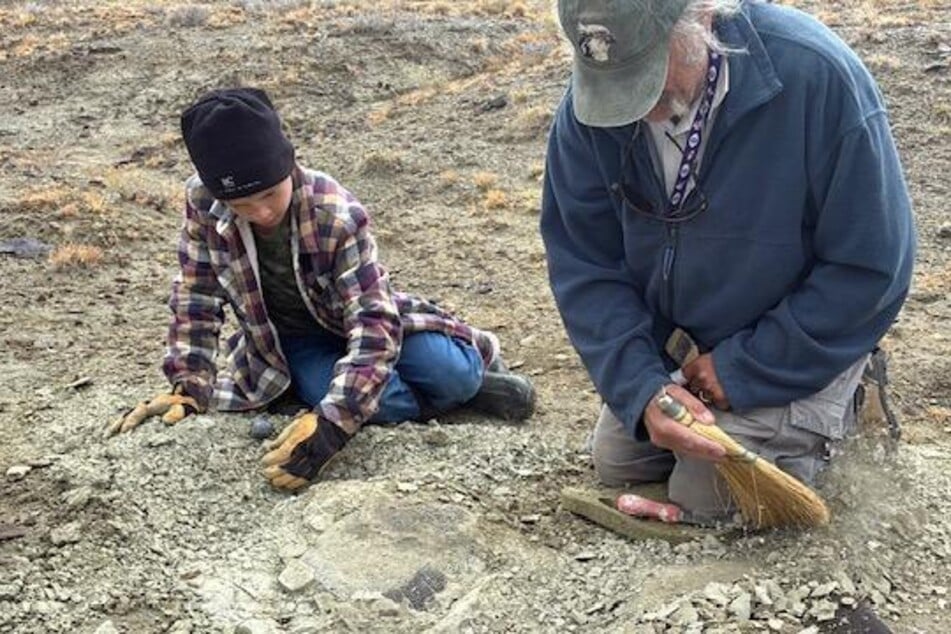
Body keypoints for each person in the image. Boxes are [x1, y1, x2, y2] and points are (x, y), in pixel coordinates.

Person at [542, 0, 915, 523]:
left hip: (795, 337)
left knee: (710, 493)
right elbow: (585, 264)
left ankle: (848, 397)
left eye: (646, 71)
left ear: (700, 18)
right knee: (618, 462)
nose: (631, 104)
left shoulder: (817, 77)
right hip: (686, 348)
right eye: (612, 79)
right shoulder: (588, 112)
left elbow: (874, 266)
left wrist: (746, 367)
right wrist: (641, 386)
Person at [108, 87, 536, 490]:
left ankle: (467, 389)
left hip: (353, 321)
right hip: (289, 342)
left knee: (454, 374)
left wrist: (331, 426)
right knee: (380, 404)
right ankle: (440, 403)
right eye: (243, 205)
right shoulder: (202, 202)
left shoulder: (336, 210)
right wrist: (189, 384)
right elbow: (195, 296)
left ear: (289, 166)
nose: (261, 212)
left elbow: (372, 321)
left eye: (271, 195)